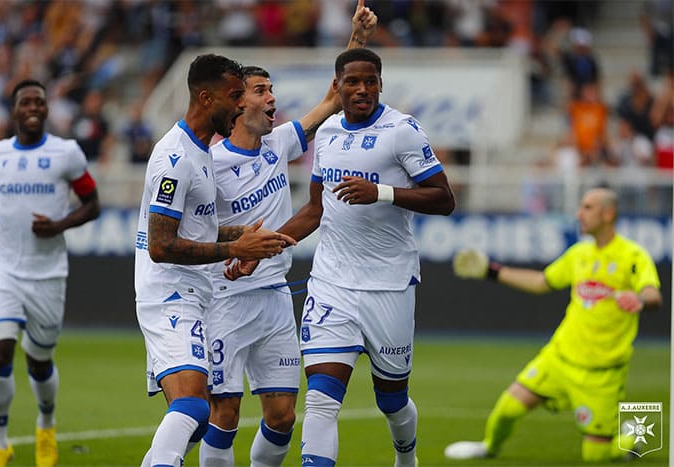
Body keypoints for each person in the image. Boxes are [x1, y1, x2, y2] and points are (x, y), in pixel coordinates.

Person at [199, 3, 377, 466]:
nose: (272, 97)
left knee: (281, 417)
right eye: (261, 90)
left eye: (272, 88)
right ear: (239, 102)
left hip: (276, 298)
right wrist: (238, 241)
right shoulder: (210, 164)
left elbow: (334, 98)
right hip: (226, 297)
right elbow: (187, 228)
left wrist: (357, 38)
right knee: (225, 413)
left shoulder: (280, 143)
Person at [277, 48, 455, 466]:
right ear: (337, 86)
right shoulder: (327, 134)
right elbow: (316, 209)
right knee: (321, 400)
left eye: (370, 81)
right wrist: (267, 245)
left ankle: (406, 455)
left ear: (380, 83)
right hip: (331, 284)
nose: (362, 89)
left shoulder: (402, 131)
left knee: (392, 400)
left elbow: (445, 199)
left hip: (388, 286)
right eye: (352, 82)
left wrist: (383, 193)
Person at [134, 53, 296, 467]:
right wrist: (234, 250)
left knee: (198, 416)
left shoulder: (201, 150)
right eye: (235, 96)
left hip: (193, 294)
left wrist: (242, 236)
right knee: (194, 407)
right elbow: (161, 245)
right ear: (206, 98)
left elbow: (196, 231)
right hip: (169, 294)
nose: (242, 106)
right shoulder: (175, 159)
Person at [445, 187, 662, 462]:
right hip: (559, 358)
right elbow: (540, 282)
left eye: (587, 207)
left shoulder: (633, 256)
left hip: (601, 374)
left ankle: (631, 435)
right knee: (507, 409)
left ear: (609, 214)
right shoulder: (579, 254)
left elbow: (654, 295)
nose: (578, 214)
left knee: (596, 456)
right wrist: (491, 270)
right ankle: (489, 447)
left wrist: (640, 299)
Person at [0, 79, 101, 467]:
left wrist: (59, 225)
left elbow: (92, 203)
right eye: (25, 101)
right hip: (3, 268)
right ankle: (0, 444)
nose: (32, 106)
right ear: (14, 111)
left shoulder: (66, 153)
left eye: (39, 101)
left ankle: (46, 424)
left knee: (38, 362)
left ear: (46, 110)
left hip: (47, 273)